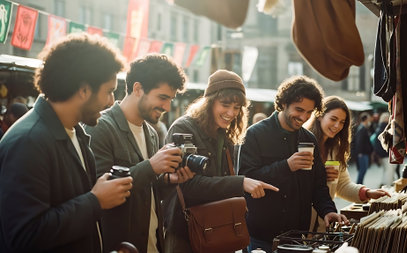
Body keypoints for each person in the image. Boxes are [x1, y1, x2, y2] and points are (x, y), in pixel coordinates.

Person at [0, 33, 133, 252]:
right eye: (109, 91)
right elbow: (24, 236)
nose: (111, 101)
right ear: (83, 90)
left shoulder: (75, 131)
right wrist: (95, 201)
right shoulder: (27, 142)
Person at [84, 54, 193, 253]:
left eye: (170, 99)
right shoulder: (100, 128)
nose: (167, 107)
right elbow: (99, 192)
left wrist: (169, 180)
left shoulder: (151, 132)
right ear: (137, 88)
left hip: (152, 244)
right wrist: (151, 167)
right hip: (120, 246)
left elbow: (147, 193)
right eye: (162, 97)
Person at [164, 69, 279, 253]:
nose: (231, 112)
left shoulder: (224, 134)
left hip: (218, 229)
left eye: (237, 107)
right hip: (186, 231)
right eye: (225, 104)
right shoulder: (183, 127)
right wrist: (241, 182)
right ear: (209, 101)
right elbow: (188, 186)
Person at [239, 75, 348, 253]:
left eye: (309, 112)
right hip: (261, 237)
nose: (303, 117)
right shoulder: (255, 134)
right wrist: (286, 166)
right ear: (283, 103)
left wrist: (328, 211)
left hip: (297, 237)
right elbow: (246, 178)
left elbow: (318, 186)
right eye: (299, 110)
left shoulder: (308, 138)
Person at [304, 96, 390, 232]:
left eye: (342, 122)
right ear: (319, 116)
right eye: (333, 119)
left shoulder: (335, 148)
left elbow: (342, 186)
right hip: (299, 223)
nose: (337, 126)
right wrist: (319, 174)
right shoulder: (303, 144)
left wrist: (367, 193)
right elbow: (292, 182)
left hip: (322, 225)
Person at [371, 112, 397, 186]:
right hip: (386, 154)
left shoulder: (379, 127)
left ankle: (384, 184)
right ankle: (387, 186)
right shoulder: (385, 128)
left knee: (387, 171)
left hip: (383, 155)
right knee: (389, 171)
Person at [355, 112, 373, 184]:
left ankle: (360, 184)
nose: (369, 121)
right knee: (362, 170)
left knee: (363, 170)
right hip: (362, 154)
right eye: (368, 119)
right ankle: (359, 185)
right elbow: (359, 142)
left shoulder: (363, 128)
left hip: (364, 153)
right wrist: (360, 153)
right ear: (365, 119)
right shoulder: (362, 129)